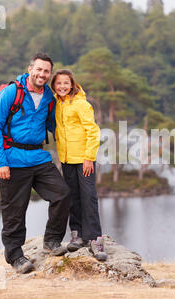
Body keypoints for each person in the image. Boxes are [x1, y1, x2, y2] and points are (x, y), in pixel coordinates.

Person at [0, 53, 70, 274]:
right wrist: (0, 162)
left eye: (46, 71)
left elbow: (56, 126)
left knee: (62, 194)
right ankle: (15, 256)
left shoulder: (49, 98)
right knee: (15, 211)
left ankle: (52, 241)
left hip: (38, 157)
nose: (42, 74)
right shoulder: (11, 92)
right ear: (30, 69)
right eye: (39, 70)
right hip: (12, 160)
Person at [51, 69, 107, 261]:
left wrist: (89, 157)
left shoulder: (82, 104)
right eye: (58, 83)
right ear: (54, 86)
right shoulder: (56, 104)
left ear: (72, 84)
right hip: (66, 159)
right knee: (72, 197)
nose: (62, 87)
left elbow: (93, 132)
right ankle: (77, 234)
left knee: (88, 197)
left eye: (66, 83)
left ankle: (95, 239)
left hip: (84, 160)